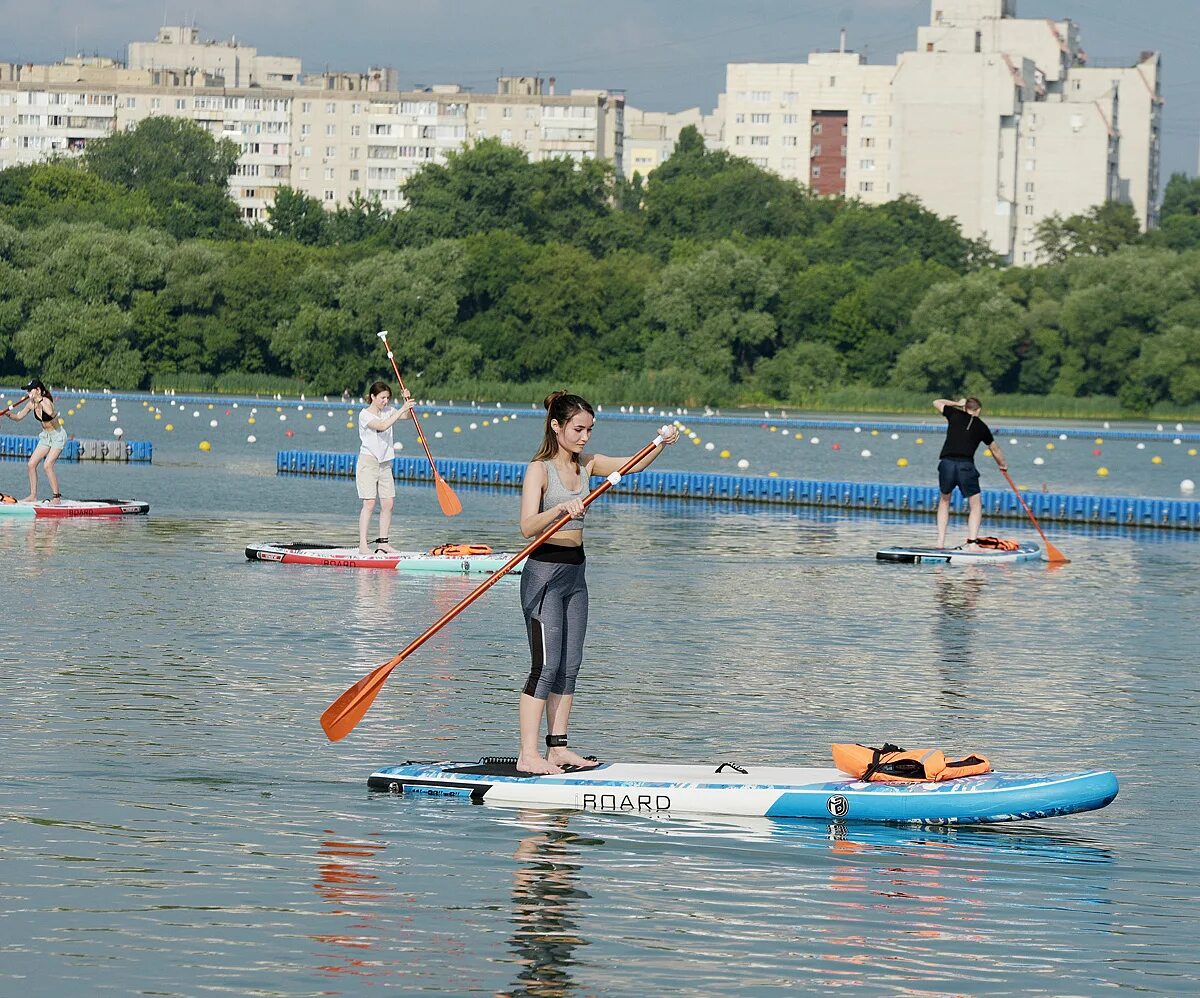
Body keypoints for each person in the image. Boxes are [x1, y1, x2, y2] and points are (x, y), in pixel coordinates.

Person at [516, 390, 679, 775]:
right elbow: (526, 527)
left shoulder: (587, 464)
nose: (585, 437)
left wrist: (660, 442)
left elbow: (633, 465)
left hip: (576, 574)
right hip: (543, 576)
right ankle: (528, 754)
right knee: (545, 666)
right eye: (578, 429)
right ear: (556, 427)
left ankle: (557, 748)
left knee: (570, 665)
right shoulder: (539, 469)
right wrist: (558, 508)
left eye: (589, 429)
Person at [933, 396, 1007, 548]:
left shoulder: (954, 414)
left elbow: (936, 402)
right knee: (976, 504)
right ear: (978, 410)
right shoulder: (981, 426)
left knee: (944, 501)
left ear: (965, 407)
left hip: (946, 464)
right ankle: (972, 543)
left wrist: (956, 404)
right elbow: (994, 449)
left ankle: (940, 543)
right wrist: (1002, 465)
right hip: (965, 466)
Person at [357, 380, 413, 554]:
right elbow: (382, 426)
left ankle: (383, 543)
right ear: (372, 397)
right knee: (369, 504)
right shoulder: (364, 415)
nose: (385, 401)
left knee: (388, 503)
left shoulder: (389, 411)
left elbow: (407, 416)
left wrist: (407, 403)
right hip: (368, 462)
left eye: (388, 398)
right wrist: (401, 410)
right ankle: (363, 545)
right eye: (382, 398)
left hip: (385, 463)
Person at [5, 379, 66, 503]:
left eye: (30, 390)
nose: (28, 393)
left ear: (38, 390)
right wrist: (8, 414)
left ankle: (57, 497)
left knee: (47, 465)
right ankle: (33, 495)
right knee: (31, 464)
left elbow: (51, 413)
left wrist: (39, 400)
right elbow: (18, 417)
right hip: (45, 436)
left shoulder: (47, 401)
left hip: (57, 436)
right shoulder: (31, 404)